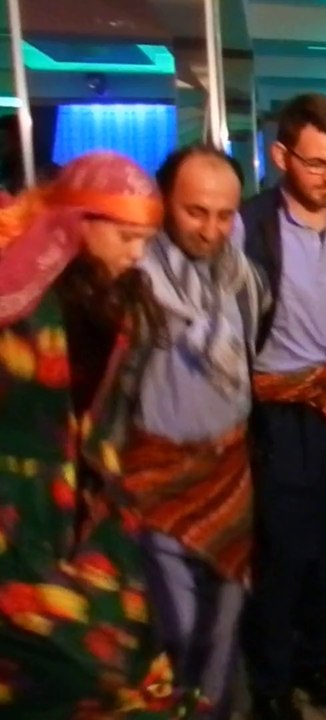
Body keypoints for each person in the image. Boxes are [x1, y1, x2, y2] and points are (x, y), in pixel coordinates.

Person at [0, 151, 192, 717]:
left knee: (129, 647)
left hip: (89, 502)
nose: (137, 255)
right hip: (16, 509)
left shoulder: (119, 298)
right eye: (127, 238)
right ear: (81, 221)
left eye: (145, 241)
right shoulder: (17, 295)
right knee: (63, 662)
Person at [238, 93, 326, 720]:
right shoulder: (248, 226)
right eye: (317, 163)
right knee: (283, 555)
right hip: (278, 412)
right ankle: (271, 683)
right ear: (281, 156)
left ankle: (316, 663)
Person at [120, 145, 266, 719]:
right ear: (164, 203)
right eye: (195, 211)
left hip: (229, 471)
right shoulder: (134, 277)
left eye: (225, 215)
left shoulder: (240, 276)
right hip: (157, 477)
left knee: (225, 622)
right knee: (177, 629)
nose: (211, 229)